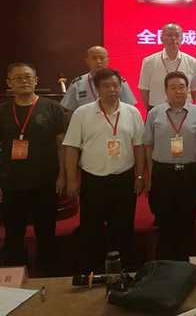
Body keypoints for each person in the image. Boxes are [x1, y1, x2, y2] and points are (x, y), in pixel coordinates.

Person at [63, 68, 146, 273]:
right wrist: (71, 179)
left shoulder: (132, 112)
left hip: (124, 180)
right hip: (93, 181)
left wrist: (140, 176)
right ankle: (91, 271)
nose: (112, 90)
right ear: (97, 89)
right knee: (90, 229)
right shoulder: (82, 113)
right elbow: (71, 147)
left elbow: (139, 147)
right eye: (106, 86)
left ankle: (125, 271)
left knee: (124, 229)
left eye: (116, 85)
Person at [0, 63, 67, 275]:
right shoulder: (2, 111)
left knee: (46, 232)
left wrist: (63, 175)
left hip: (45, 181)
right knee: (13, 233)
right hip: (11, 182)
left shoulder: (52, 108)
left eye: (28, 77)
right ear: (9, 83)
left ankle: (48, 275)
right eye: (18, 78)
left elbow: (62, 144)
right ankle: (13, 278)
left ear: (36, 80)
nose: (24, 81)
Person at [143, 71, 196, 261]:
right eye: (173, 87)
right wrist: (150, 175)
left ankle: (186, 262)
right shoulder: (154, 113)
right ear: (165, 91)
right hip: (163, 173)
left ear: (188, 90)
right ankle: (165, 262)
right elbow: (148, 145)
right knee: (165, 221)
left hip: (190, 173)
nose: (178, 91)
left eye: (182, 87)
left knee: (187, 220)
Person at [138, 23, 196, 111]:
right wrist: (151, 111)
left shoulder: (192, 62)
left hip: (185, 111)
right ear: (161, 38)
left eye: (177, 35)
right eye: (169, 35)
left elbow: (194, 90)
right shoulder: (149, 62)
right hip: (157, 110)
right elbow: (144, 90)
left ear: (182, 39)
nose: (174, 38)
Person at [61, 46, 137, 114]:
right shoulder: (78, 84)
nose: (98, 62)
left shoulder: (119, 81)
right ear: (87, 61)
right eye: (94, 58)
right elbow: (70, 111)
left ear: (108, 61)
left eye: (102, 58)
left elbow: (129, 108)